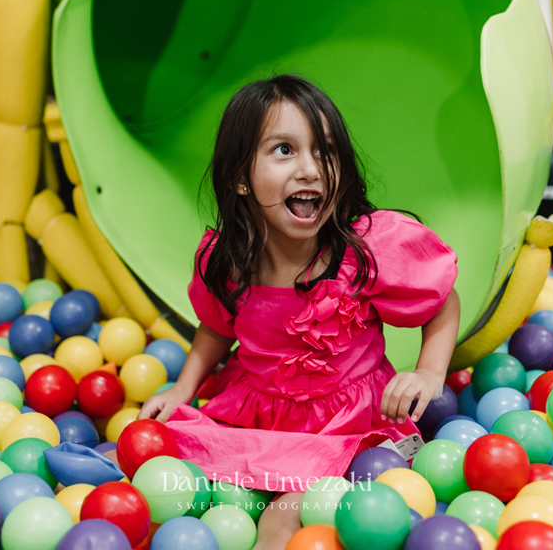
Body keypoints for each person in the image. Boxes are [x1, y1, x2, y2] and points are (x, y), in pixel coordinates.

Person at [134, 74, 461, 550]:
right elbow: (217, 326)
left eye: (324, 152)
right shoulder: (228, 259)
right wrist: (184, 388)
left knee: (282, 520)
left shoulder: (364, 251)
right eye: (284, 150)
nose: (310, 169)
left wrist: (430, 374)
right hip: (257, 417)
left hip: (345, 424)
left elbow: (442, 299)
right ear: (240, 178)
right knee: (177, 484)